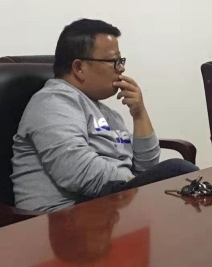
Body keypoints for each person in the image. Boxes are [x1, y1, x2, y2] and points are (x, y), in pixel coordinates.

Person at [11, 19, 198, 211]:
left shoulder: (108, 113)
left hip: (109, 206)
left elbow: (147, 168)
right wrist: (138, 184)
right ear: (79, 67)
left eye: (121, 61)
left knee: (185, 191)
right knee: (178, 170)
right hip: (63, 215)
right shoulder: (51, 102)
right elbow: (77, 172)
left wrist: (139, 113)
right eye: (114, 62)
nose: (121, 69)